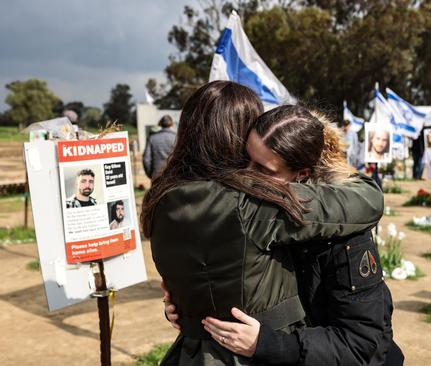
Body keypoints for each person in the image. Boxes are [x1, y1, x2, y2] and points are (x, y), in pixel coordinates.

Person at [141, 81, 384, 366]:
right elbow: (369, 199)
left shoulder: (160, 199)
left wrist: (185, 309)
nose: (249, 172)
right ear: (238, 138)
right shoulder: (253, 202)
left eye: (261, 166)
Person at [143, 115, 176, 179]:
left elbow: (146, 159)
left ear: (160, 124)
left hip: (156, 174)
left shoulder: (152, 138)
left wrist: (150, 174)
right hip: (173, 175)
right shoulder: (177, 137)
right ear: (171, 124)